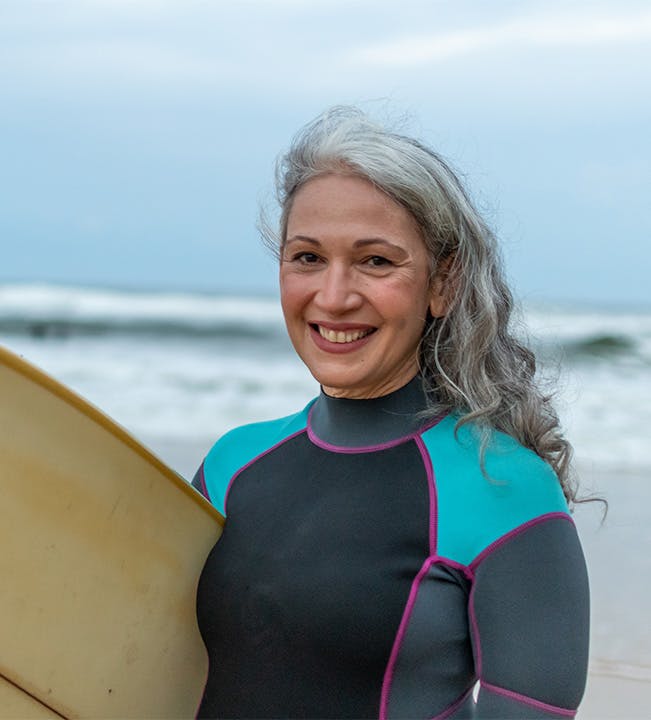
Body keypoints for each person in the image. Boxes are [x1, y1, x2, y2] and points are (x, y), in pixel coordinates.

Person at [191, 106, 590, 719]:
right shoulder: (231, 466)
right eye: (307, 258)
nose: (334, 296)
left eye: (376, 260)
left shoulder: (503, 489)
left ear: (443, 283)